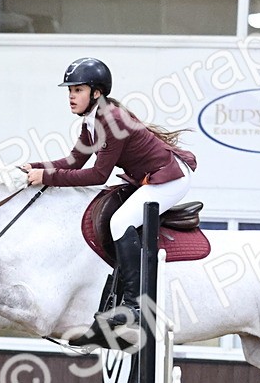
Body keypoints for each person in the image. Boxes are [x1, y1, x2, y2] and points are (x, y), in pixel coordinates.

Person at [22, 57, 197, 341]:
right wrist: (38, 167)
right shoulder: (92, 121)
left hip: (171, 178)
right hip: (149, 176)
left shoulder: (111, 120)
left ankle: (135, 306)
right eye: (69, 91)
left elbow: (98, 174)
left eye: (77, 90)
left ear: (96, 92)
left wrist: (47, 178)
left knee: (120, 222)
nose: (70, 96)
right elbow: (74, 161)